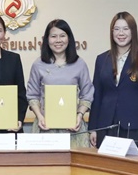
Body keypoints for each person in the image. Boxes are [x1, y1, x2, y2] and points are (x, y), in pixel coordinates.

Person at [89, 12, 138, 148]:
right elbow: (97, 96)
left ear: (133, 31)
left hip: (136, 127)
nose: (121, 33)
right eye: (116, 29)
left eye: (125, 29)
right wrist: (93, 128)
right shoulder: (102, 59)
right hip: (106, 126)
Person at [27, 19, 94, 148]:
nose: (58, 40)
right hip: (45, 128)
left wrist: (79, 116)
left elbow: (87, 94)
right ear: (47, 40)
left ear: (69, 38)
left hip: (73, 128)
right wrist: (39, 116)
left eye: (62, 36)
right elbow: (32, 95)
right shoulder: (38, 64)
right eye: (53, 36)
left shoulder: (79, 64)